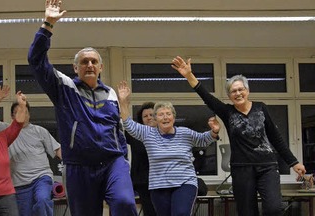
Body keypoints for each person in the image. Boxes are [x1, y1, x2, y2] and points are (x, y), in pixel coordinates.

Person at [27, 1, 137, 215]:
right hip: (78, 166)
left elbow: (119, 131)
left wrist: (123, 158)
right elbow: (36, 60)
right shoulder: (64, 88)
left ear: (100, 67)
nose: (89, 65)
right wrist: (48, 24)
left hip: (112, 162)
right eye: (84, 62)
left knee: (125, 203)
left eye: (94, 62)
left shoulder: (111, 94)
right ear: (75, 68)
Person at [172, 56, 307, 216]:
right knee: (246, 212)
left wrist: (293, 162)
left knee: (274, 208)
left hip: (267, 166)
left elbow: (275, 137)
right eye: (233, 91)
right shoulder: (228, 112)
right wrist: (189, 75)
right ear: (229, 96)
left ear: (247, 91)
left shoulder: (261, 108)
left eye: (240, 89)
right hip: (241, 169)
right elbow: (206, 96)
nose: (237, 93)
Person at [117, 81, 220, 215]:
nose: (165, 117)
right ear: (155, 119)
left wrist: (214, 131)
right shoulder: (148, 134)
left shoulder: (185, 133)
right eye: (161, 114)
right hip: (158, 185)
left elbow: (203, 139)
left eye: (168, 114)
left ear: (173, 117)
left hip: (185, 182)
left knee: (180, 213)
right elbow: (128, 123)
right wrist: (123, 101)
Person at [0, 85, 61, 216]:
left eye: (25, 111)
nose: (23, 114)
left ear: (29, 114)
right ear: (12, 116)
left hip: (41, 177)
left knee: (43, 200)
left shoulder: (40, 131)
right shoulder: (5, 130)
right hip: (19, 183)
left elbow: (58, 150)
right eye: (18, 111)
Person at [124, 102, 157, 216]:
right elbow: (124, 124)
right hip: (142, 181)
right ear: (141, 119)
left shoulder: (163, 133)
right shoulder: (135, 134)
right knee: (149, 212)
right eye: (145, 116)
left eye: (151, 115)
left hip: (161, 180)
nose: (149, 118)